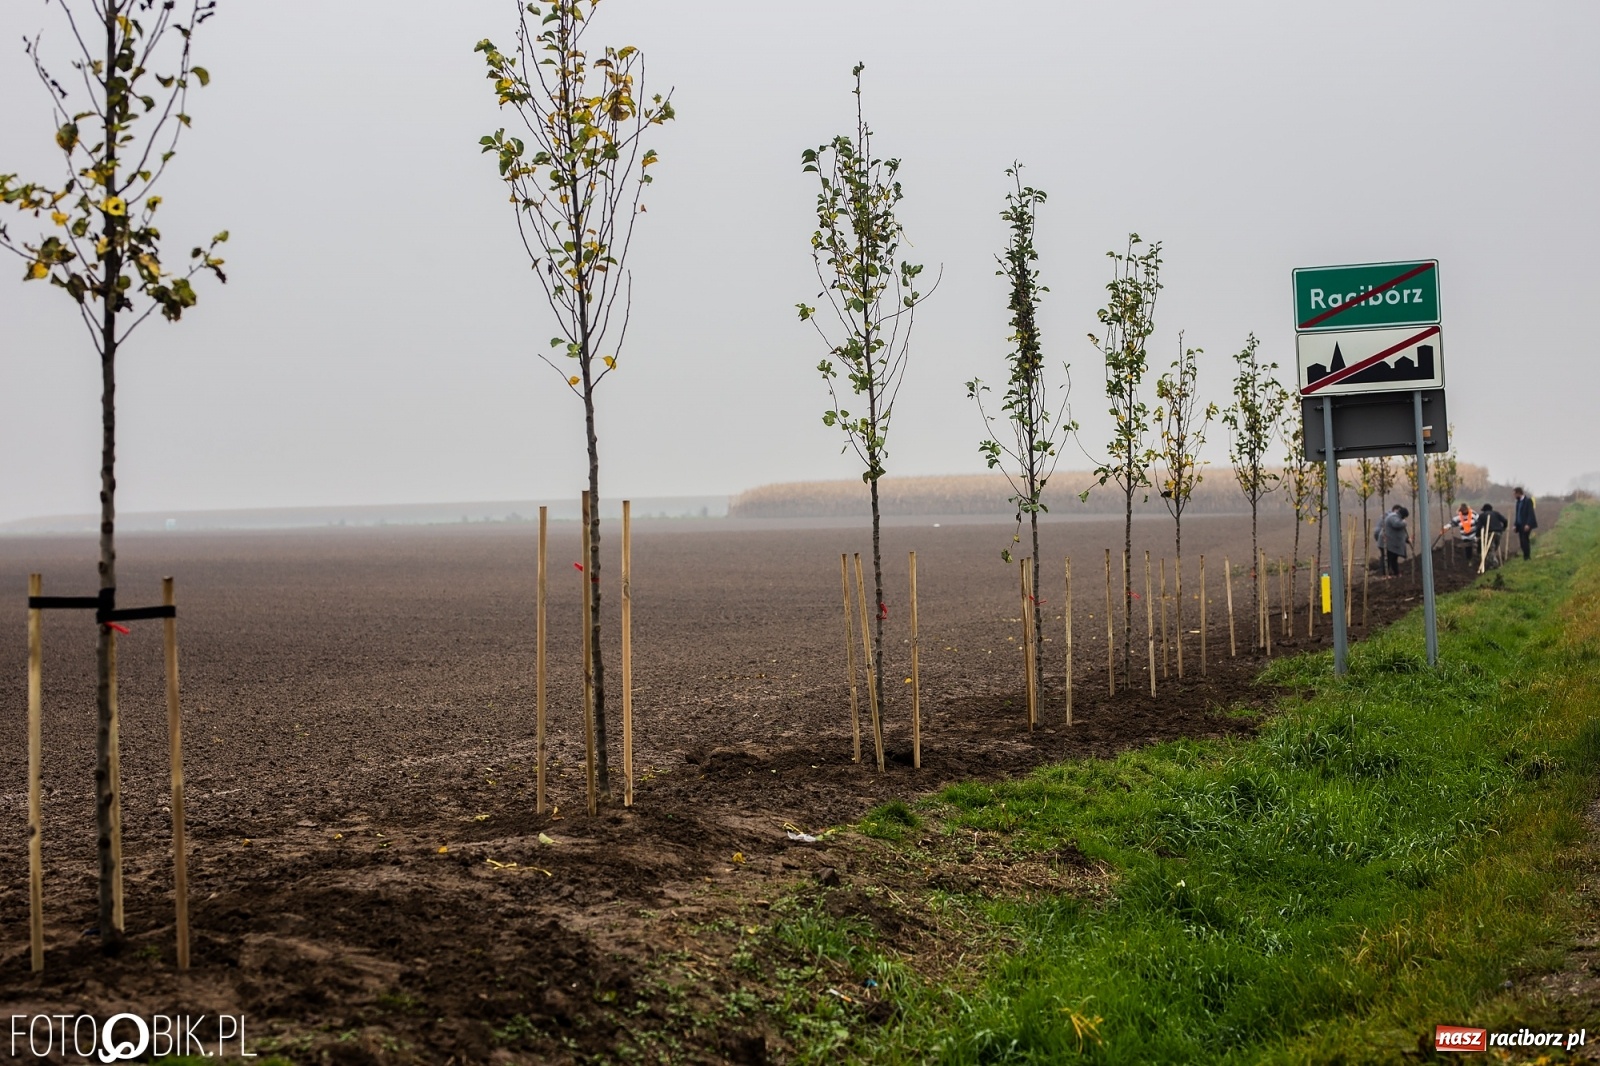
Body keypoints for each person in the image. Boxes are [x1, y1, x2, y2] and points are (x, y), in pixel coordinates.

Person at [1377, 503, 1410, 577]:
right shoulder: (1393, 517)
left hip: (1390, 543)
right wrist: (1404, 523)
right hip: (1385, 542)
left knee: (1394, 558)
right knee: (1387, 559)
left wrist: (1407, 539)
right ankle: (1385, 575)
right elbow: (1396, 524)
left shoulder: (1396, 516)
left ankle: (1396, 573)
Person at [1513, 487, 1538, 561]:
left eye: (1514, 494)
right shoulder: (1518, 502)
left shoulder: (1528, 501)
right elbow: (1517, 515)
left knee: (1525, 540)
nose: (1514, 496)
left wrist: (1528, 524)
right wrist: (1515, 525)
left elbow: (1530, 513)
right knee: (1522, 542)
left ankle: (1527, 557)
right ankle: (1526, 556)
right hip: (1520, 525)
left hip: (1526, 525)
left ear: (1518, 493)